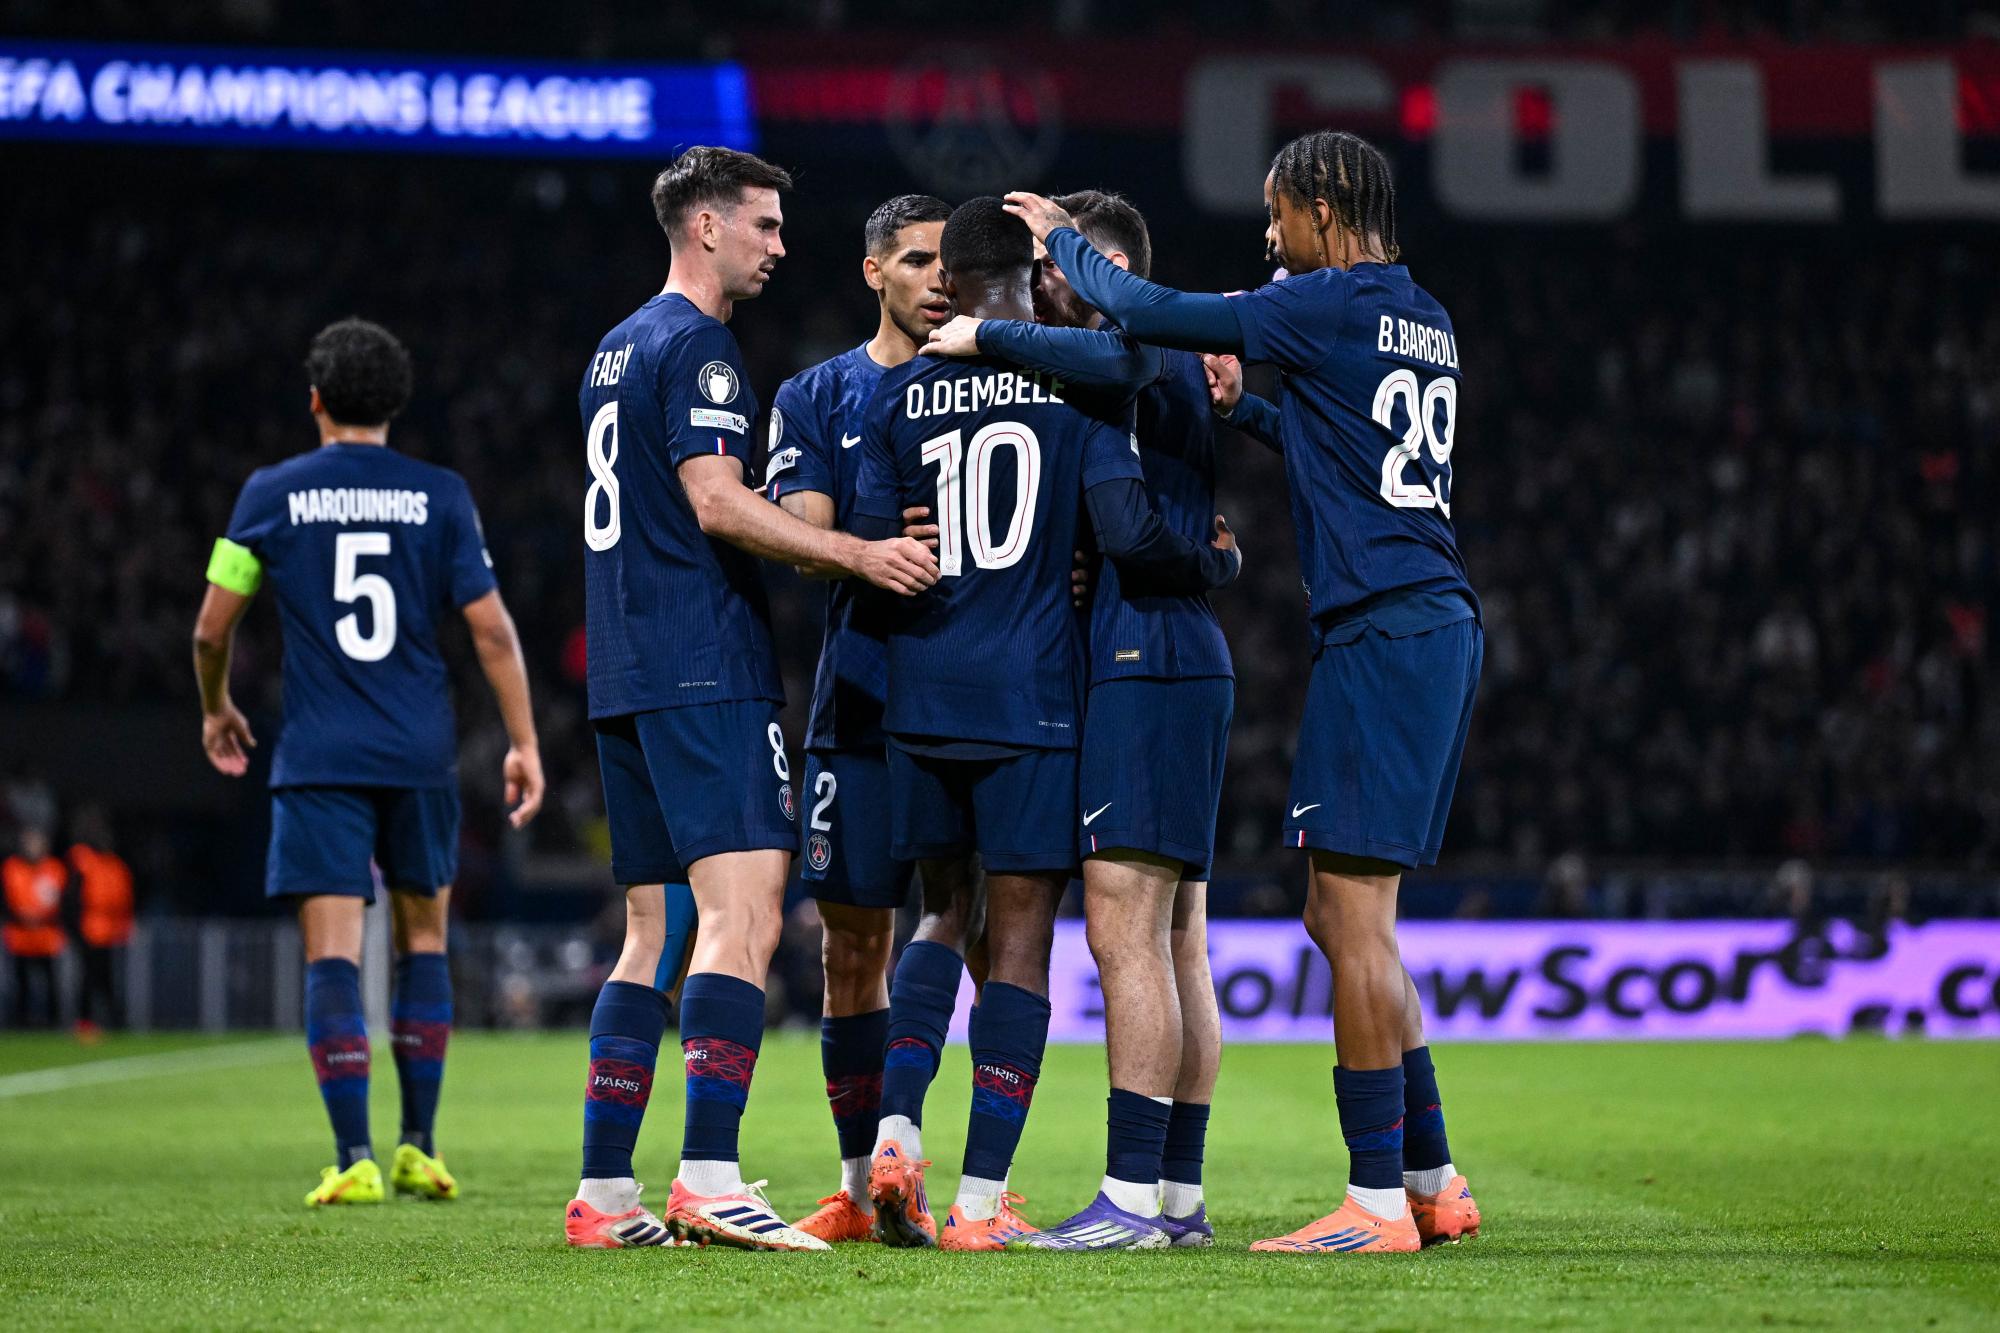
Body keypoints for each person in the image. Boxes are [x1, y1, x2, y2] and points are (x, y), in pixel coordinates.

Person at [1005, 129, 1484, 1254]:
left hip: (1383, 627)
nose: (1270, 235)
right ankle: (1430, 1175)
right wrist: (1244, 412)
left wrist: (1064, 244)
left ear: (1323, 207)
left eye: (1278, 212)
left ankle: (1375, 1202)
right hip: (1425, 619)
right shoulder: (1421, 314)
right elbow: (1348, 444)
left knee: (1352, 920)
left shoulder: (1324, 300)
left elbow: (1151, 309)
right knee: (1341, 914)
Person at [565, 147, 937, 1252]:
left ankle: (605, 1194)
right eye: (764, 225)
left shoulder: (613, 346)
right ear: (706, 226)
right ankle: (709, 1176)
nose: (779, 246)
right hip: (701, 662)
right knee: (745, 913)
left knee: (651, 931)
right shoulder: (700, 346)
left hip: (622, 667)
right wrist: (860, 552)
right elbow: (718, 503)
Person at [852, 196, 1236, 1251]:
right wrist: (1213, 559)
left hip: (923, 689)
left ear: (949, 281)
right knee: (1023, 945)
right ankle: (980, 1205)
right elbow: (1121, 521)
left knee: (938, 916)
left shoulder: (898, 394)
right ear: (1035, 272)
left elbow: (882, 542)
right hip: (1036, 694)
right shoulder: (1077, 387)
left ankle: (895, 1130)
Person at [193, 317, 546, 1208]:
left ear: (314, 399)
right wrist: (524, 741)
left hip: (320, 755)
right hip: (419, 751)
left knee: (334, 955)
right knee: (424, 939)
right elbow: (492, 630)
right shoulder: (440, 495)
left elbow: (209, 628)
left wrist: (217, 706)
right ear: (396, 403)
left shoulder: (270, 492)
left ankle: (352, 1154)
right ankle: (418, 1146)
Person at [761, 193, 995, 1246]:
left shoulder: (994, 383)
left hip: (971, 703)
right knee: (851, 951)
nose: (937, 278)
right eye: (914, 260)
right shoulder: (817, 394)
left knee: (985, 942)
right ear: (873, 272)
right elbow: (798, 532)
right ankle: (862, 1188)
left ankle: (985, 1184)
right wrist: (872, 535)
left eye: (949, 262)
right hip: (856, 702)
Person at [68, 807, 134, 1036]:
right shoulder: (82, 858)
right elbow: (73, 897)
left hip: (109, 929)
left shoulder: (112, 863)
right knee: (89, 977)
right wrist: (75, 928)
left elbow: (122, 897)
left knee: (106, 977)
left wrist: (123, 926)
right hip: (89, 928)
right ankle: (86, 1021)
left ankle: (114, 1020)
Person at [4, 826, 67, 1028]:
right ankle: (20, 1023)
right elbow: (8, 898)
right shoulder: (12, 867)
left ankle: (54, 1023)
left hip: (47, 936)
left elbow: (59, 899)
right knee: (20, 982)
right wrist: (22, 915)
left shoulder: (54, 868)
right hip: (20, 936)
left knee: (50, 981)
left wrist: (41, 916)